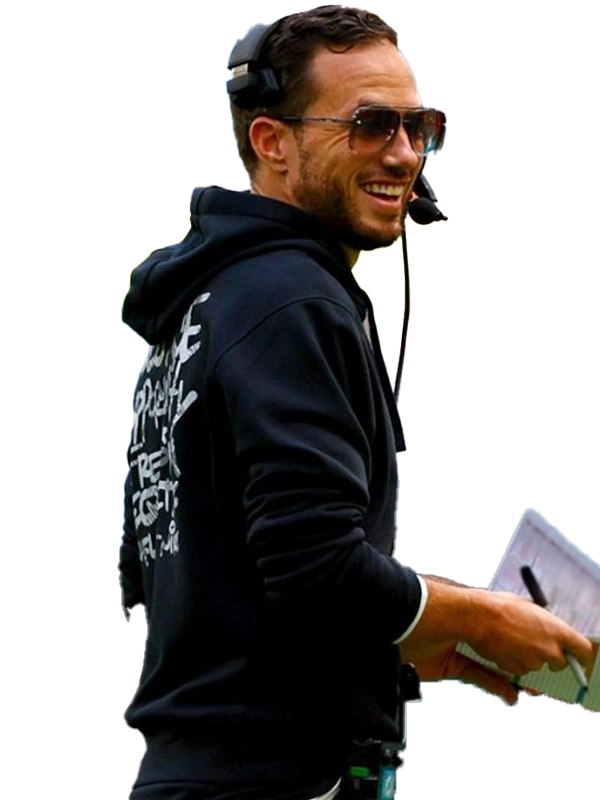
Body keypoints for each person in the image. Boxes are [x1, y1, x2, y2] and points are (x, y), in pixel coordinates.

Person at [119, 6, 594, 800]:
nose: (404, 154)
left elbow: (244, 594)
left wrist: (411, 638)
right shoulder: (291, 300)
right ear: (272, 141)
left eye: (420, 127)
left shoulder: (212, 303)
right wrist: (479, 617)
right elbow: (314, 567)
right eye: (372, 125)